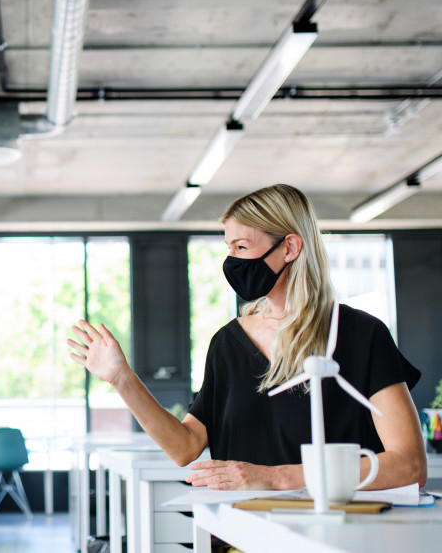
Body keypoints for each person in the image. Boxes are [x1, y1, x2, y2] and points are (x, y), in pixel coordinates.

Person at [68, 184, 426, 491]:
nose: (231, 261)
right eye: (229, 248)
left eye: (242, 247)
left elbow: (410, 465)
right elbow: (185, 447)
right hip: (242, 534)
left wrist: (277, 478)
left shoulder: (361, 335)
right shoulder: (227, 344)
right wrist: (122, 379)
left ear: (289, 248)